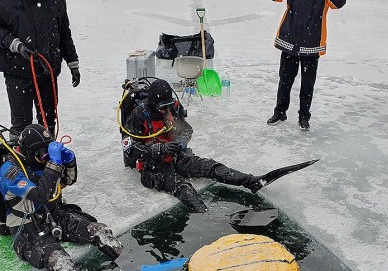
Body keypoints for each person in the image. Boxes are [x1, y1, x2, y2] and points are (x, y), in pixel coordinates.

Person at [122, 79, 308, 212]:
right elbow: (130, 150)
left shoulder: (172, 107)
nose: (166, 110)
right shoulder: (138, 115)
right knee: (184, 190)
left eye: (168, 105)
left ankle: (251, 181)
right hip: (152, 166)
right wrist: (157, 149)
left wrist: (181, 141)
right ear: (153, 104)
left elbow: (186, 129)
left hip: (176, 155)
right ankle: (207, 218)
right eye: (162, 107)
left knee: (210, 167)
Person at [0, 124, 122, 271]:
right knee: (61, 263)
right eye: (41, 154)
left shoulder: (44, 163)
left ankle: (128, 265)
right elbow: (41, 195)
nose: (45, 158)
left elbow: (68, 181)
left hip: (54, 214)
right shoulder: (10, 171)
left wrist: (70, 162)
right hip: (27, 226)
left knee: (99, 232)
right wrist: (54, 164)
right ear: (29, 152)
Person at [0, 0, 80, 136]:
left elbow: (64, 31)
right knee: (21, 126)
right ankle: (19, 155)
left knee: (48, 123)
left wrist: (72, 62)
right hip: (17, 70)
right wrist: (14, 44)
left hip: (48, 69)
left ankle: (47, 155)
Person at [267, 0, 347, 131]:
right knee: (285, 79)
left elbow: (338, 3)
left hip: (312, 40)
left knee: (307, 84)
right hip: (290, 38)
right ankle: (280, 112)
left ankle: (304, 116)